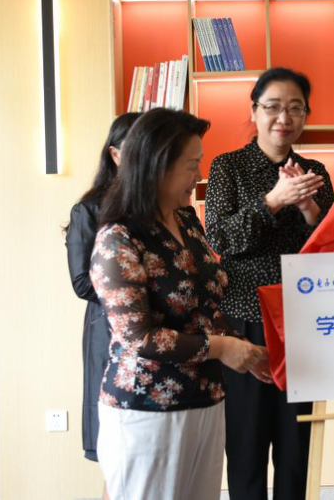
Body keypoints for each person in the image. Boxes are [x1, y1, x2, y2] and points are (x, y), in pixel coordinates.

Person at [90, 108, 272, 500]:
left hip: (206, 398)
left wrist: (245, 350)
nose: (199, 175)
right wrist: (221, 348)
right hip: (147, 407)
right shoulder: (118, 239)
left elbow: (206, 304)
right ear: (157, 167)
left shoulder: (187, 220)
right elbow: (139, 337)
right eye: (191, 165)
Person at [205, 68, 334, 500]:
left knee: (297, 447)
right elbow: (219, 239)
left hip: (302, 322)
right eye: (274, 107)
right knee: (246, 445)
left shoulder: (315, 171)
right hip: (244, 320)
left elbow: (332, 247)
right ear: (254, 111)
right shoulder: (228, 167)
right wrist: (274, 201)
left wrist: (311, 210)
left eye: (296, 108)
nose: (284, 117)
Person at [64, 111, 140, 475]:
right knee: (117, 451)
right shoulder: (90, 208)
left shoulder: (166, 204)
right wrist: (135, 293)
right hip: (109, 331)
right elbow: (82, 282)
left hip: (160, 332)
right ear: (115, 154)